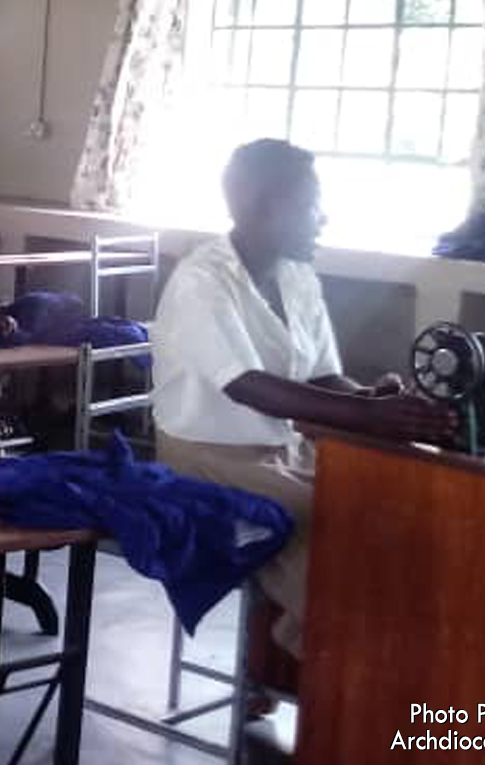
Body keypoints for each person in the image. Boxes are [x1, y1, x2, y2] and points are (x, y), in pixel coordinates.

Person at [151, 139, 454, 662]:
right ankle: (327, 655)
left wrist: (370, 397)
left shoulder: (297, 276)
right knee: (330, 515)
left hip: (280, 447)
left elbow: (323, 375)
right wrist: (366, 415)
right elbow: (247, 385)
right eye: (312, 204)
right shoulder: (202, 280)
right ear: (264, 207)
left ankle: (305, 655)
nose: (323, 218)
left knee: (388, 496)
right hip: (205, 454)